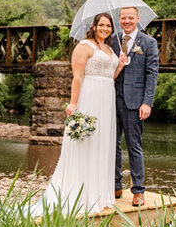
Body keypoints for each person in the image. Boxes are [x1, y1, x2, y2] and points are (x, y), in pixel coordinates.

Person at [33, 12, 125, 215]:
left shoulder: (109, 48)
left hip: (107, 98)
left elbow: (111, 76)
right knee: (87, 141)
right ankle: (82, 193)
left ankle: (100, 194)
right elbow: (78, 76)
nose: (105, 29)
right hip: (90, 96)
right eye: (101, 25)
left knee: (103, 142)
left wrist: (119, 65)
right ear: (94, 26)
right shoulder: (84, 46)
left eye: (108, 26)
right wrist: (73, 103)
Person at [112, 6, 159, 207]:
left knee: (134, 146)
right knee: (112, 145)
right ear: (119, 19)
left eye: (131, 17)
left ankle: (138, 190)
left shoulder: (148, 43)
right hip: (112, 99)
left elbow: (152, 74)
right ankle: (115, 185)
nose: (127, 21)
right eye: (123, 18)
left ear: (138, 19)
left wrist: (147, 102)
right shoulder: (112, 40)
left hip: (135, 102)